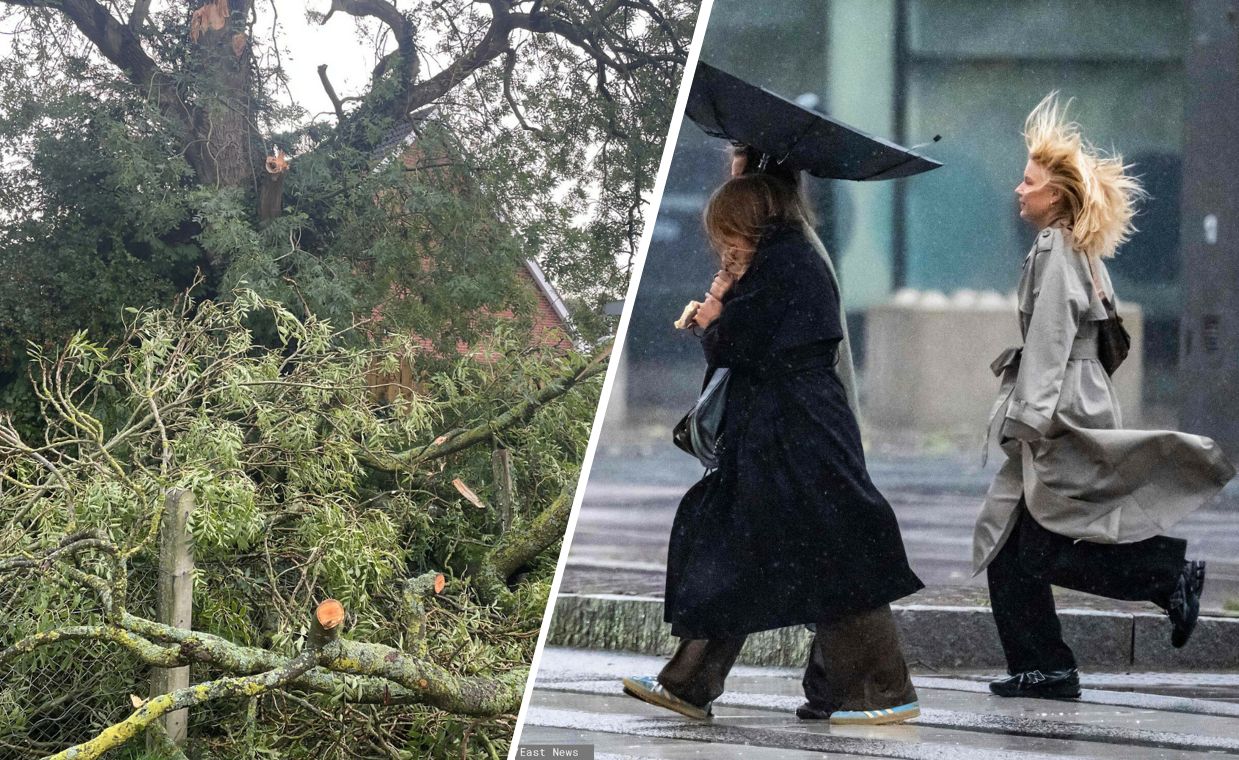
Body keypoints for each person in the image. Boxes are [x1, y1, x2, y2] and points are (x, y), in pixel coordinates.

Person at [621, 172, 925, 724]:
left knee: (834, 552)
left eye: (724, 234)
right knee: (737, 548)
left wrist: (715, 315)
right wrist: (727, 293)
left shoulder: (786, 261)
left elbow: (741, 345)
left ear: (747, 220)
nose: (719, 247)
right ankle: (692, 682)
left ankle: (883, 691)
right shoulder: (782, 259)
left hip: (798, 433)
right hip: (781, 432)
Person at [974, 93, 1235, 699]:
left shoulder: (1054, 248)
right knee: (1013, 549)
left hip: (1057, 410)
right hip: (1074, 398)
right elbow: (1107, 337)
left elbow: (1051, 335)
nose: (1019, 190)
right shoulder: (1081, 250)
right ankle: (1046, 665)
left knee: (1036, 550)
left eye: (1029, 182)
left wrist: (1029, 419)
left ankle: (1165, 575)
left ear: (1056, 196)